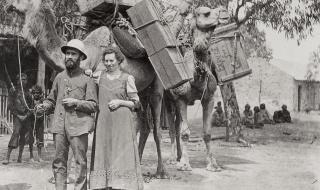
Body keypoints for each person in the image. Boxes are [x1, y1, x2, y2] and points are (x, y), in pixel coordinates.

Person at [36, 39, 98, 190]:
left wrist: (76, 102)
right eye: (67, 53)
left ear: (81, 57)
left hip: (79, 127)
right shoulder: (59, 77)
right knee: (58, 163)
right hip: (59, 127)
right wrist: (44, 106)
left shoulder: (87, 79)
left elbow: (93, 105)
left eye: (73, 54)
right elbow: (52, 99)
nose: (69, 56)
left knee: (80, 163)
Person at [89, 47, 143, 190]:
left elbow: (136, 103)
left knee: (120, 153)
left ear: (119, 61)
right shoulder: (99, 76)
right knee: (104, 151)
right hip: (103, 122)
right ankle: (105, 185)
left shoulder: (127, 78)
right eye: (106, 61)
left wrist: (120, 102)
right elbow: (87, 77)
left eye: (111, 60)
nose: (108, 63)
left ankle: (121, 185)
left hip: (122, 124)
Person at [3, 73, 34, 165]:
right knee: (16, 133)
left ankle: (21, 157)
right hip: (17, 117)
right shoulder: (13, 91)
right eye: (21, 79)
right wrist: (18, 115)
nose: (23, 81)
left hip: (27, 117)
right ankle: (7, 157)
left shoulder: (28, 93)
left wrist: (27, 115)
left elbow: (32, 106)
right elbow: (10, 106)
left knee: (26, 135)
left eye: (24, 79)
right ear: (17, 81)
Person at [31, 85, 45, 162]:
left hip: (40, 122)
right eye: (35, 93)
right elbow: (29, 110)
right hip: (32, 122)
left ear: (40, 93)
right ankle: (31, 156)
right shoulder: (30, 100)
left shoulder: (42, 101)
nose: (36, 94)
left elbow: (45, 110)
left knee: (39, 139)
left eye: (38, 93)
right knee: (31, 138)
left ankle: (39, 157)